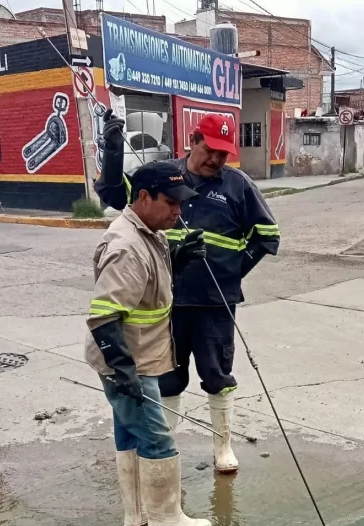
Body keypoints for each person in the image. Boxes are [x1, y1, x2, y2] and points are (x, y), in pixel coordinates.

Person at [95, 110, 281, 475]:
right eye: (210, 149)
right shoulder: (167, 177)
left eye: (223, 153)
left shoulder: (238, 185)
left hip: (216, 303)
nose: (215, 159)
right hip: (167, 302)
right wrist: (113, 153)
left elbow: (268, 235)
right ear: (193, 141)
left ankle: (223, 447)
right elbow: (115, 195)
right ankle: (167, 450)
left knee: (217, 375)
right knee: (167, 377)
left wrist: (233, 272)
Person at [85, 160, 211, 526]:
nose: (178, 211)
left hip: (135, 355)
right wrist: (123, 371)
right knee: (157, 436)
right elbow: (104, 316)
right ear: (143, 197)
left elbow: (146, 285)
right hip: (127, 360)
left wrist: (178, 259)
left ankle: (137, 514)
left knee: (131, 431)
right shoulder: (127, 247)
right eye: (170, 202)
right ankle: (165, 517)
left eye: (181, 203)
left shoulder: (148, 231)